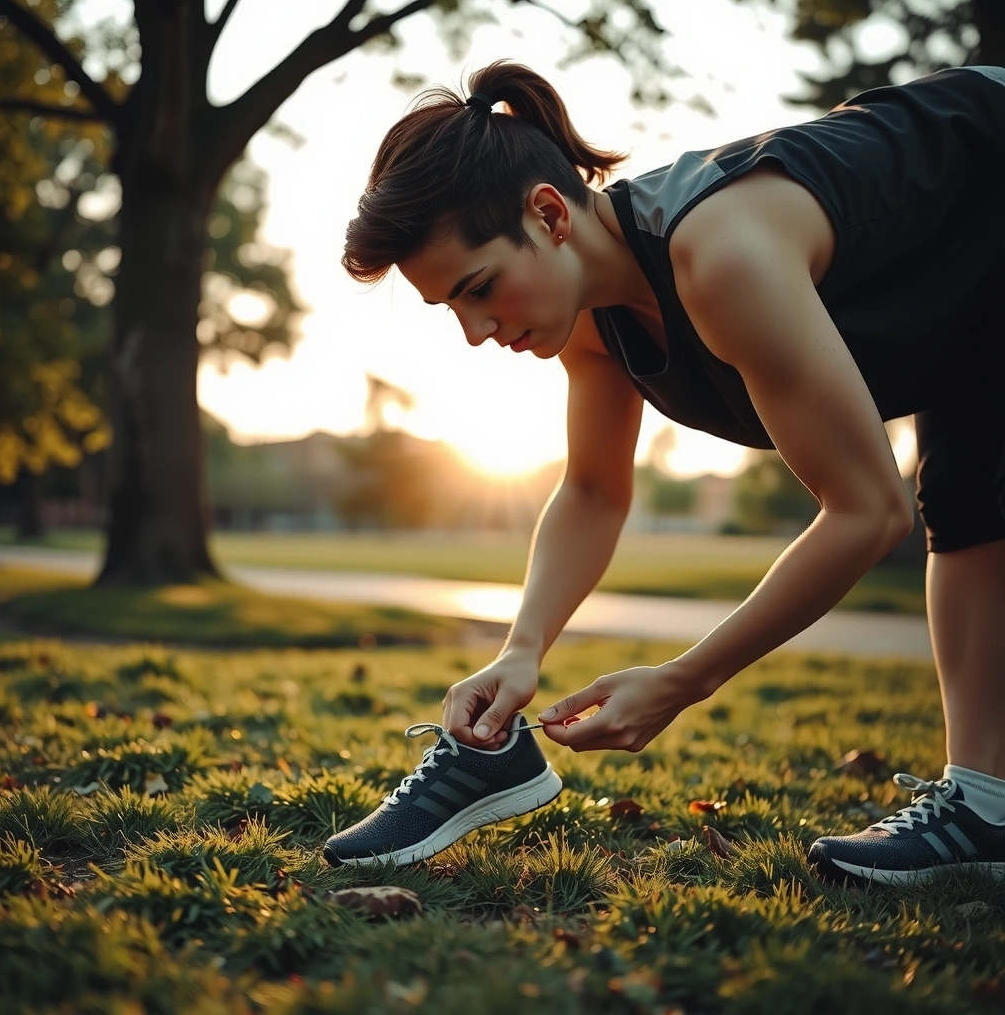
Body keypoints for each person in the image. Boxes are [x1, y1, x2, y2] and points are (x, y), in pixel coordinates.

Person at [340, 59, 1005, 883]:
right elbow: (592, 489)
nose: (476, 331)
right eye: (453, 309)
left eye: (481, 289)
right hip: (967, 294)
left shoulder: (722, 258)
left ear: (548, 214)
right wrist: (523, 648)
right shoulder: (589, 322)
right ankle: (984, 807)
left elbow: (867, 511)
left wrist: (684, 680)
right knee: (972, 502)